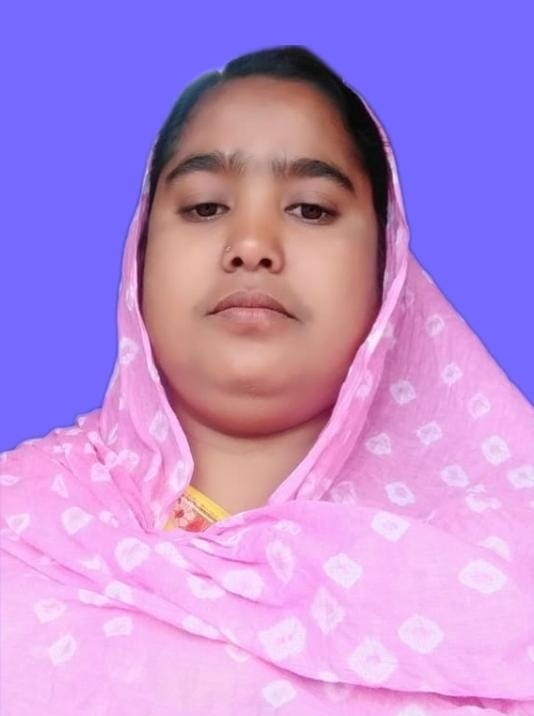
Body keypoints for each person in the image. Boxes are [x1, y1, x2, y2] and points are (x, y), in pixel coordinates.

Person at [1, 44, 533, 715]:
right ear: (139, 255)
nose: (251, 245)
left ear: (389, 270)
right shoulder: (19, 529)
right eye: (204, 207)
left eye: (310, 209)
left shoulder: (498, 564)